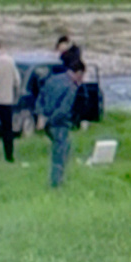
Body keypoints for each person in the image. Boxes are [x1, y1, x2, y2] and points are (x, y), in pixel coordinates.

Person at [35, 60, 86, 188]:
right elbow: (63, 109)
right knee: (60, 153)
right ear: (78, 73)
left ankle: (55, 181)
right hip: (59, 124)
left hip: (45, 121)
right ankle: (56, 184)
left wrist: (41, 116)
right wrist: (51, 119)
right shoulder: (71, 87)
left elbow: (40, 97)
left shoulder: (52, 79)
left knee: (55, 150)